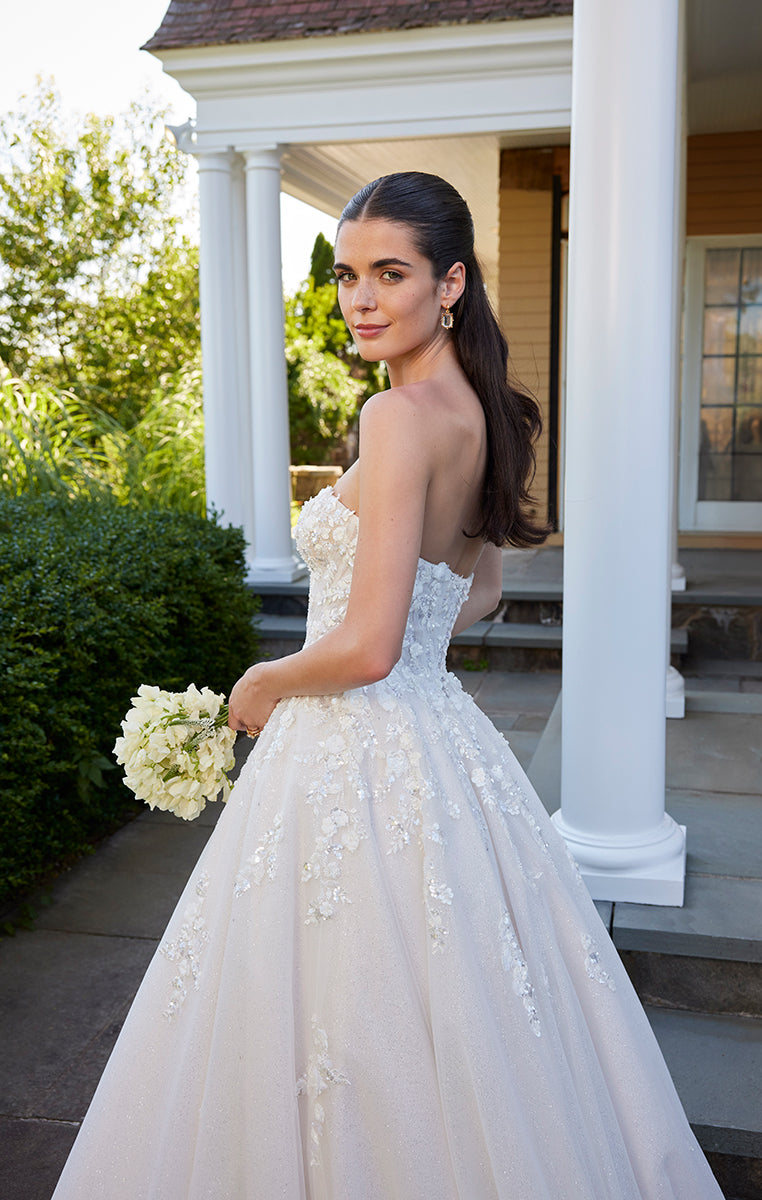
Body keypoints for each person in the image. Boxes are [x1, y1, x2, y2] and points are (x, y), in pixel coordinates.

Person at [53, 172, 724, 1199]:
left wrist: (265, 677)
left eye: (391, 274)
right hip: (435, 737)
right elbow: (479, 595)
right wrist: (400, 645)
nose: (361, 299)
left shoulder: (400, 416)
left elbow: (364, 648)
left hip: (356, 740)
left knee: (340, 1011)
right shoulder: (491, 413)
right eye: (346, 275)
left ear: (451, 282)